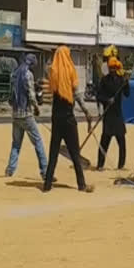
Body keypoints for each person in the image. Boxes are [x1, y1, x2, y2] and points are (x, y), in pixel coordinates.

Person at [43, 46, 94, 192]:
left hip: (56, 118)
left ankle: (47, 185)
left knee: (53, 152)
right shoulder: (71, 71)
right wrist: (86, 111)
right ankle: (81, 185)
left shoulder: (53, 71)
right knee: (75, 154)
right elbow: (77, 95)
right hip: (69, 118)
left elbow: (48, 68)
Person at [5, 53, 48, 179]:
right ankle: (45, 171)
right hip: (26, 114)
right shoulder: (28, 74)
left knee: (16, 144)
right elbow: (30, 93)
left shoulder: (15, 73)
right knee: (38, 142)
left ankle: (10, 169)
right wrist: (36, 107)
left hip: (15, 114)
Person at [96, 57, 130, 171]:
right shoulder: (104, 80)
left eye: (114, 68)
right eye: (111, 68)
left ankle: (121, 165)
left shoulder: (121, 80)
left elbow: (127, 94)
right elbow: (99, 96)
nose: (113, 70)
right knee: (104, 142)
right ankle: (100, 165)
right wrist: (107, 100)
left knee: (122, 142)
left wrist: (127, 83)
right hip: (108, 115)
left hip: (118, 115)